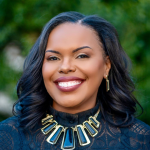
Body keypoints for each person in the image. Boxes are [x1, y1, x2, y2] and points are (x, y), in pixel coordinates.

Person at [0, 11, 150, 150]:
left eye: (82, 56)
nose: (65, 67)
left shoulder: (140, 140)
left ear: (106, 66)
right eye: (53, 57)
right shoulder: (6, 137)